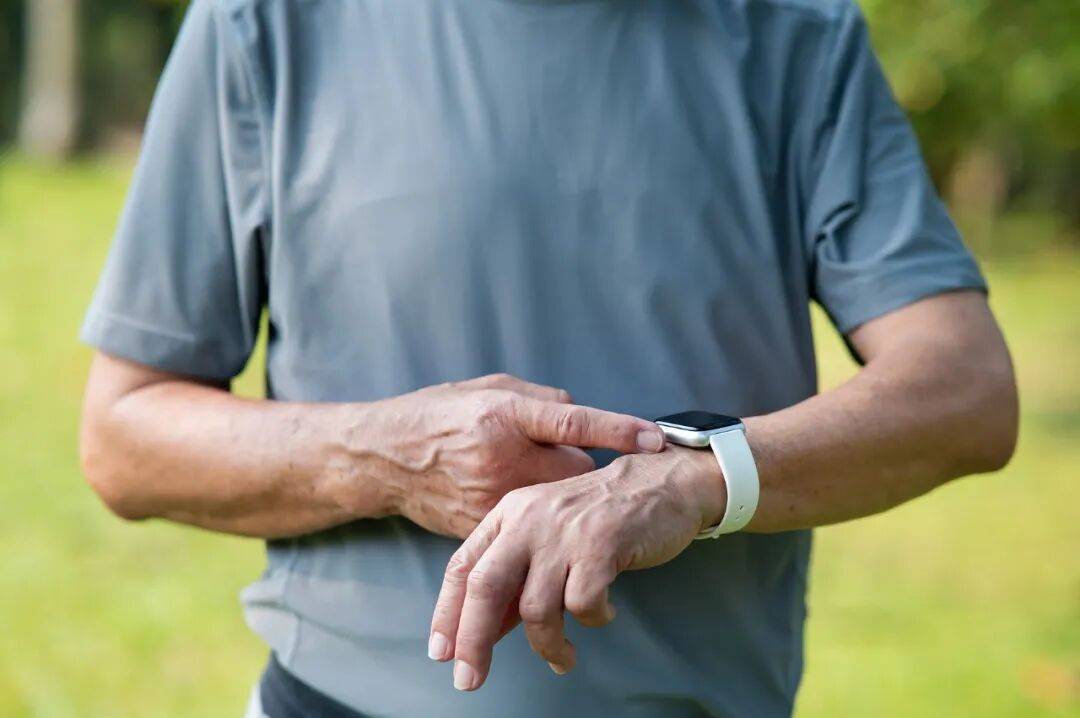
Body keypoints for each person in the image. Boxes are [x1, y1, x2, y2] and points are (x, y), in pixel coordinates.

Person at [78, 0, 1018, 716]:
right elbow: (124, 436)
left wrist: (695, 478)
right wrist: (389, 456)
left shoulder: (795, 34)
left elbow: (966, 389)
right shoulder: (263, 22)